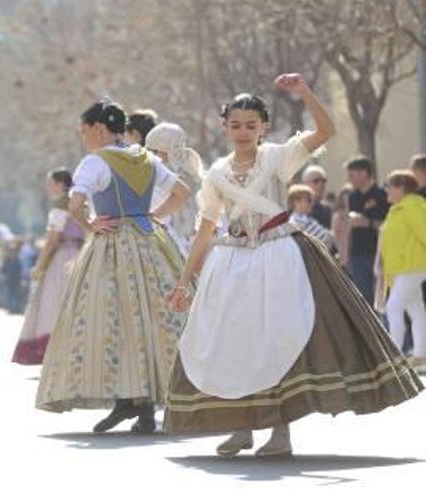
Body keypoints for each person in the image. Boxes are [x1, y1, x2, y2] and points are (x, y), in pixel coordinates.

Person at [164, 75, 422, 457]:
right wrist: (185, 282)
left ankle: (280, 430)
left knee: (277, 340)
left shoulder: (276, 157)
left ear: (263, 127)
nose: (243, 131)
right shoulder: (217, 173)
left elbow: (326, 130)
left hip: (279, 255)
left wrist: (304, 94)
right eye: (235, 124)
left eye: (251, 125)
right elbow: (206, 229)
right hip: (233, 261)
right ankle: (242, 426)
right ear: (224, 126)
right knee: (235, 343)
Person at [36, 97, 191, 435]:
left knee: (111, 318)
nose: (83, 137)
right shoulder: (146, 157)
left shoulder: (95, 162)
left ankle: (127, 398)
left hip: (112, 245)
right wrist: (152, 216)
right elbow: (181, 191)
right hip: (149, 242)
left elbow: (74, 204)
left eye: (84, 131)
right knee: (152, 319)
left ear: (99, 128)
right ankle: (146, 404)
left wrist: (92, 224)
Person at [12, 169, 84, 365]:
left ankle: (56, 351)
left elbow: (53, 239)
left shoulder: (59, 207)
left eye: (51, 183)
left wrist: (40, 265)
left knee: (53, 304)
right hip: (83, 255)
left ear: (61, 184)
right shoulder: (81, 201)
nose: (48, 188)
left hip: (63, 258)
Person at [375, 171, 426, 372]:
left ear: (401, 188)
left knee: (393, 307)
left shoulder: (411, 206)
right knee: (416, 309)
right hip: (402, 268)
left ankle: (394, 357)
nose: (387, 190)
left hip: (413, 266)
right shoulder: (397, 209)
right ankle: (420, 355)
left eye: (390, 186)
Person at [144, 122, 204, 252]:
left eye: (153, 151)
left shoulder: (167, 177)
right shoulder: (189, 174)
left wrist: (149, 218)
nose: (149, 155)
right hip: (176, 240)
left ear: (166, 151)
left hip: (170, 242)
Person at [346, 156, 389, 303]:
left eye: (352, 175)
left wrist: (368, 223)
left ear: (364, 173)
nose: (349, 179)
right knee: (363, 300)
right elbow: (349, 228)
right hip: (358, 254)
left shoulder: (382, 195)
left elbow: (388, 224)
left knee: (381, 298)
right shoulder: (352, 196)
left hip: (379, 253)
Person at [287, 184, 334, 249]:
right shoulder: (297, 222)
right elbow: (325, 239)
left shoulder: (304, 219)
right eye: (308, 200)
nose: (312, 203)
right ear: (296, 202)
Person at [331, 187, 353, 270]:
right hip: (343, 260)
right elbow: (336, 238)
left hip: (356, 258)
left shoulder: (355, 216)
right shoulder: (337, 217)